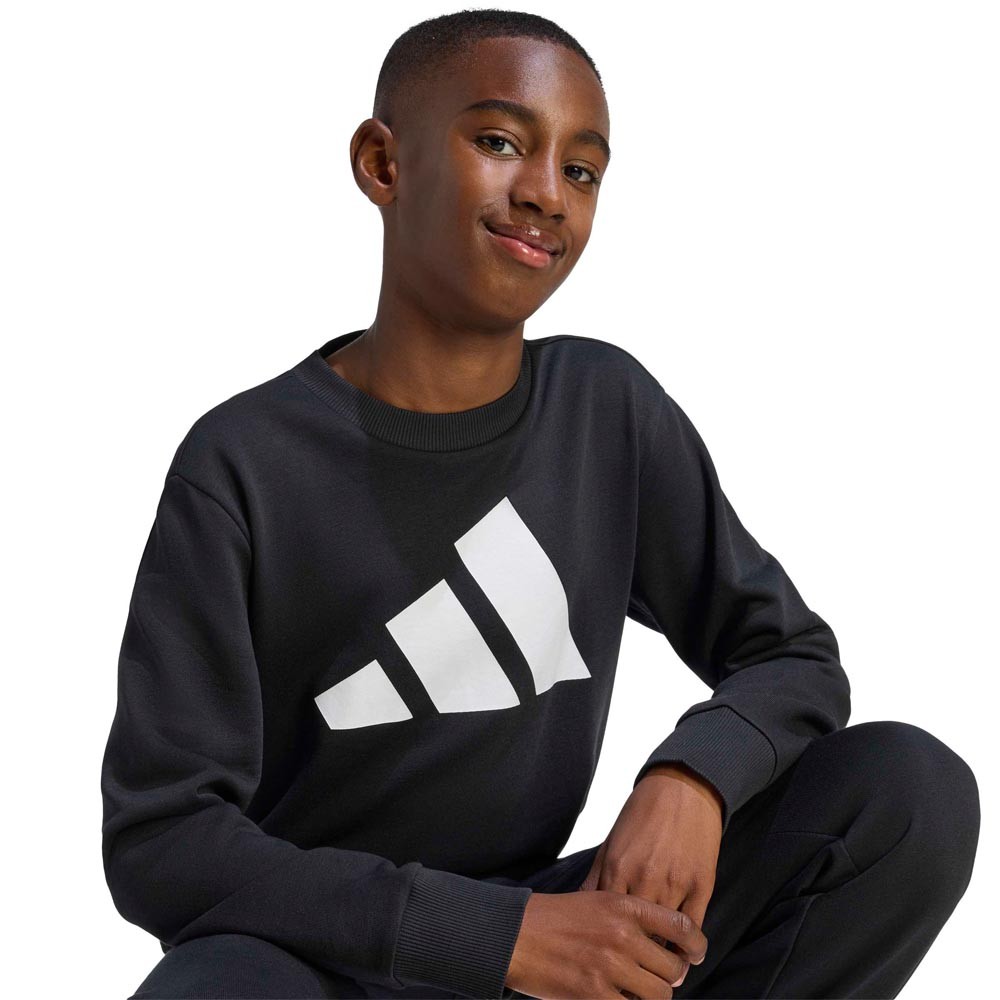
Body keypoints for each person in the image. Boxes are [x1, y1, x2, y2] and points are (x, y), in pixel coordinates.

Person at [101, 9, 980, 1000]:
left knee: (905, 794)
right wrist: (492, 938)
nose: (545, 193)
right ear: (383, 165)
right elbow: (163, 840)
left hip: (564, 941)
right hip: (337, 959)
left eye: (582, 169)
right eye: (498, 142)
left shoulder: (606, 413)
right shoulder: (244, 464)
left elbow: (790, 655)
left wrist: (694, 777)